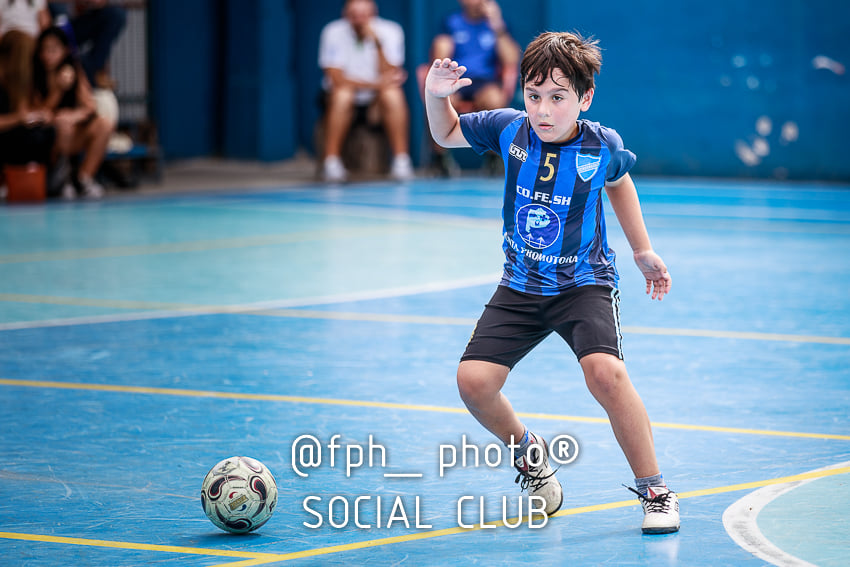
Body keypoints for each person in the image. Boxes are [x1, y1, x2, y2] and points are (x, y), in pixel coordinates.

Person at [424, 31, 680, 534]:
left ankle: (655, 490)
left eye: (558, 98)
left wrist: (642, 249)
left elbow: (621, 180)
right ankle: (531, 456)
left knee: (604, 374)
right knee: (473, 383)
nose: (543, 110)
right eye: (534, 95)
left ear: (584, 98)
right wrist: (437, 97)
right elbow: (446, 134)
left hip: (582, 283)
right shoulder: (508, 130)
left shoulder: (600, 144)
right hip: (520, 284)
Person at [318, 0, 413, 182]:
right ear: (345, 14)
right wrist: (376, 84)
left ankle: (401, 161)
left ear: (374, 14)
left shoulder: (391, 31)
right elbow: (336, 78)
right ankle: (331, 163)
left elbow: (389, 73)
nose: (359, 20)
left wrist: (376, 43)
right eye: (354, 15)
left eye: (364, 15)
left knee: (393, 95)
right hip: (344, 96)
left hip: (376, 101)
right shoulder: (332, 31)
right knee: (343, 95)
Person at [426, 0, 519, 177]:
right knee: (440, 100)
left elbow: (511, 60)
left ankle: (494, 159)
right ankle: (440, 158)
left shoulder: (497, 25)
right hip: (456, 79)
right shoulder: (450, 23)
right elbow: (439, 54)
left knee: (494, 100)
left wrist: (497, 25)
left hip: (484, 82)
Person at [33, 25, 112, 198]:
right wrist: (59, 90)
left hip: (72, 131)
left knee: (104, 124)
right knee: (63, 124)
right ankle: (63, 179)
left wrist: (74, 115)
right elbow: (39, 115)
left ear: (65, 50)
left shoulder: (74, 70)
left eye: (53, 49)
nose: (48, 55)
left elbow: (90, 105)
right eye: (44, 50)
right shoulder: (35, 74)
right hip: (47, 139)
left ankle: (84, 179)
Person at [0, 29, 54, 173]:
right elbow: (19, 116)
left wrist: (41, 115)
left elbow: (26, 110)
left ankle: (38, 177)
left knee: (45, 132)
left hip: (14, 131)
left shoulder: (19, 82)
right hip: (5, 133)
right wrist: (18, 118)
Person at [47, 0, 125, 88]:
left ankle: (93, 70)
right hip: (59, 25)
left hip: (76, 23)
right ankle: (86, 72)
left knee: (116, 15)